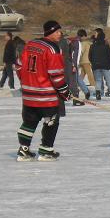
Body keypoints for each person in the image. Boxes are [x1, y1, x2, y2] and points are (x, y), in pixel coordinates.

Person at [15, 20, 71, 161]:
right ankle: (46, 151)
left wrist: (26, 81)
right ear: (50, 32)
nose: (60, 34)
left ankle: (23, 150)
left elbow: (18, 65)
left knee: (29, 122)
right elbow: (56, 73)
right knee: (51, 121)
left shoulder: (30, 44)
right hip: (46, 95)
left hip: (28, 94)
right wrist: (64, 91)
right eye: (57, 31)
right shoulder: (53, 48)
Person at [89, 28, 110, 100]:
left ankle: (98, 93)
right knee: (108, 79)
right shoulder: (106, 45)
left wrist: (93, 62)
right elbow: (109, 55)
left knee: (98, 80)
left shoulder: (92, 46)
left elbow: (90, 56)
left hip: (96, 65)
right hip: (105, 65)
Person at [69, 29, 91, 104]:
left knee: (76, 79)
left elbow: (74, 54)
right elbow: (76, 55)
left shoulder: (73, 41)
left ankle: (84, 92)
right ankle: (82, 93)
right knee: (75, 79)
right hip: (74, 64)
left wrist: (74, 64)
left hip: (72, 64)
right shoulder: (77, 42)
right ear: (83, 36)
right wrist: (75, 64)